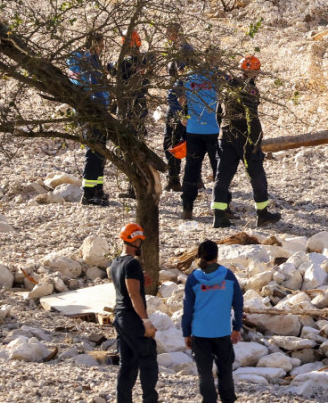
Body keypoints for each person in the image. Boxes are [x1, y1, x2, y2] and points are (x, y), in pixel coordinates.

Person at [211, 55, 281, 228]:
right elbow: (252, 118)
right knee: (257, 176)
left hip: (225, 136)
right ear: (252, 71)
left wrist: (222, 132)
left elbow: (218, 113)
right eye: (256, 71)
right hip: (243, 139)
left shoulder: (227, 87)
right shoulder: (249, 90)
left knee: (222, 177)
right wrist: (255, 141)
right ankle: (262, 214)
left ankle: (218, 216)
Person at [182, 240, 243, 403]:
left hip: (200, 333)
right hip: (222, 332)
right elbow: (238, 302)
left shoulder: (193, 278)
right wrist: (237, 328)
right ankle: (228, 400)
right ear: (217, 255)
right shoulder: (228, 276)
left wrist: (186, 332)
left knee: (205, 373)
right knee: (225, 371)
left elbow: (187, 309)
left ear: (199, 256)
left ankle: (209, 400)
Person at [110, 223, 158, 403]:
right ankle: (149, 399)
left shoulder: (115, 263)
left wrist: (139, 278)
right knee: (147, 358)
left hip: (120, 318)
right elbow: (133, 294)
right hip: (132, 318)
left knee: (127, 364)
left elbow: (125, 287)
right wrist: (145, 321)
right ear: (135, 240)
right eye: (140, 240)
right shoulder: (132, 263)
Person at [68, 32, 111, 206]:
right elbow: (95, 86)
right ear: (94, 44)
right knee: (95, 151)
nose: (102, 49)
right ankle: (89, 193)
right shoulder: (88, 60)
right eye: (101, 45)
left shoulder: (77, 59)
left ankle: (97, 189)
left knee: (99, 150)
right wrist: (105, 106)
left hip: (85, 109)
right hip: (94, 111)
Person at [115, 30, 152, 199]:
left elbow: (114, 71)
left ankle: (135, 187)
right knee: (137, 146)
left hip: (128, 109)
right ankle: (137, 185)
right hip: (140, 108)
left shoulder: (124, 62)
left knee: (130, 149)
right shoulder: (145, 60)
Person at [180, 66, 220, 220]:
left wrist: (183, 116)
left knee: (191, 169)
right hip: (214, 130)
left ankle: (187, 208)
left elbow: (179, 98)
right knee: (219, 170)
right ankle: (222, 208)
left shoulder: (188, 77)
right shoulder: (217, 76)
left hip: (193, 129)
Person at [162, 61, 185, 192]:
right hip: (184, 114)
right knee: (179, 144)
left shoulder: (179, 81)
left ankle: (174, 179)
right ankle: (194, 179)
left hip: (176, 114)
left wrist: (178, 114)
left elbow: (171, 98)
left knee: (171, 145)